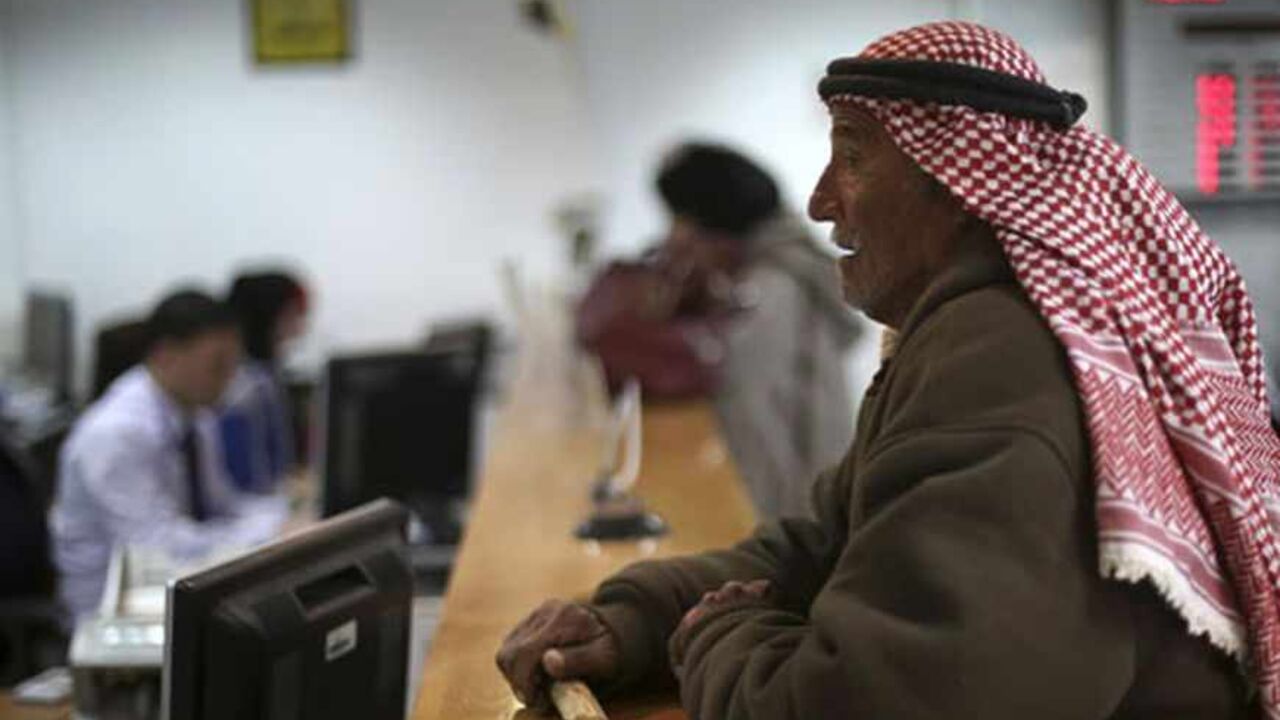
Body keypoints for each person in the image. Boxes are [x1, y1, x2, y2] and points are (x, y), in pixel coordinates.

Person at [497, 22, 1280, 718]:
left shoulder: (1005, 360)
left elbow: (877, 701)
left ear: (961, 184)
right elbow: (825, 544)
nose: (819, 200)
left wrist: (713, 633)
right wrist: (634, 620)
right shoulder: (971, 331)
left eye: (853, 158)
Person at [577, 143, 861, 519]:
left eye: (680, 219)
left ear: (710, 222)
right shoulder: (755, 269)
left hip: (797, 509)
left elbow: (713, 372)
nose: (673, 234)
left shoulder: (773, 284)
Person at [50, 290, 286, 621]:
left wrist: (283, 519)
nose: (229, 378)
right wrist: (270, 532)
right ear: (165, 356)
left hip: (174, 583)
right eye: (217, 364)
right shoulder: (117, 434)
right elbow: (155, 546)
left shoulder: (195, 415)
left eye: (234, 364)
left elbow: (222, 506)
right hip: (110, 611)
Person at [219, 270, 308, 494]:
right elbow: (247, 481)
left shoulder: (267, 374)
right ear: (269, 315)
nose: (301, 328)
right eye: (295, 314)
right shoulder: (237, 387)